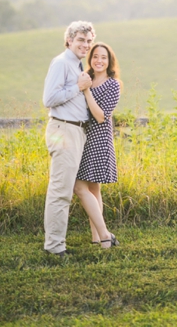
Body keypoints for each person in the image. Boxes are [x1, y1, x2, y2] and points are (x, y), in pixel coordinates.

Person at [42, 21, 95, 257]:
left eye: (89, 41)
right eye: (81, 40)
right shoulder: (62, 63)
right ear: (69, 41)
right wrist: (78, 86)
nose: (86, 45)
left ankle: (57, 243)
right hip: (63, 130)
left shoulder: (77, 65)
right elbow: (49, 99)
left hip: (75, 131)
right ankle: (55, 247)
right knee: (60, 191)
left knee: (65, 188)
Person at [73, 42, 122, 250]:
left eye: (103, 57)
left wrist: (86, 92)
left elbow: (101, 116)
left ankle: (103, 235)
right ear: (90, 58)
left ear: (109, 61)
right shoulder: (86, 79)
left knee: (84, 186)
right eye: (95, 56)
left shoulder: (113, 85)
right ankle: (98, 237)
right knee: (93, 189)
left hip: (98, 138)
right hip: (81, 137)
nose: (99, 60)